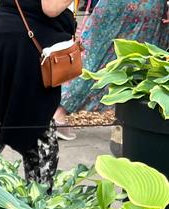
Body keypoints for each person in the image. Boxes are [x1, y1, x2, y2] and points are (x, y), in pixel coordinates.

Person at [0, 0, 76, 187]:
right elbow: (51, 8)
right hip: (27, 46)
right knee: (38, 139)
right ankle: (40, 208)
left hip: (8, 37)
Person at [54, 0, 169, 140]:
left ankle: (56, 108)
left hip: (112, 5)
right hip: (145, 7)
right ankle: (59, 112)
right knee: (133, 61)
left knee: (91, 54)